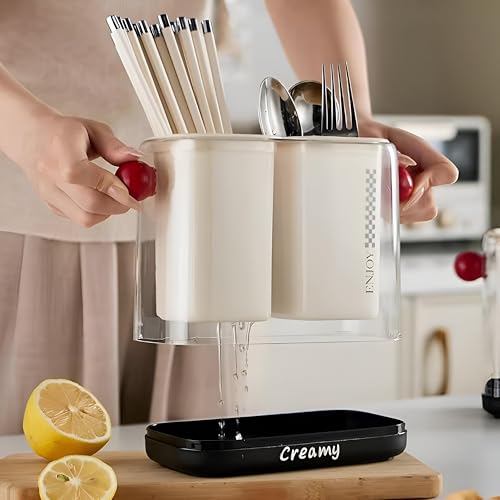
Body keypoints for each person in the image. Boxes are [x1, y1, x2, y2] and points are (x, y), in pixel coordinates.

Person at [0, 0, 458, 435]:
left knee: (206, 460)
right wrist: (28, 134)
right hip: (28, 216)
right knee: (48, 458)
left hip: (204, 212)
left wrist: (353, 122)